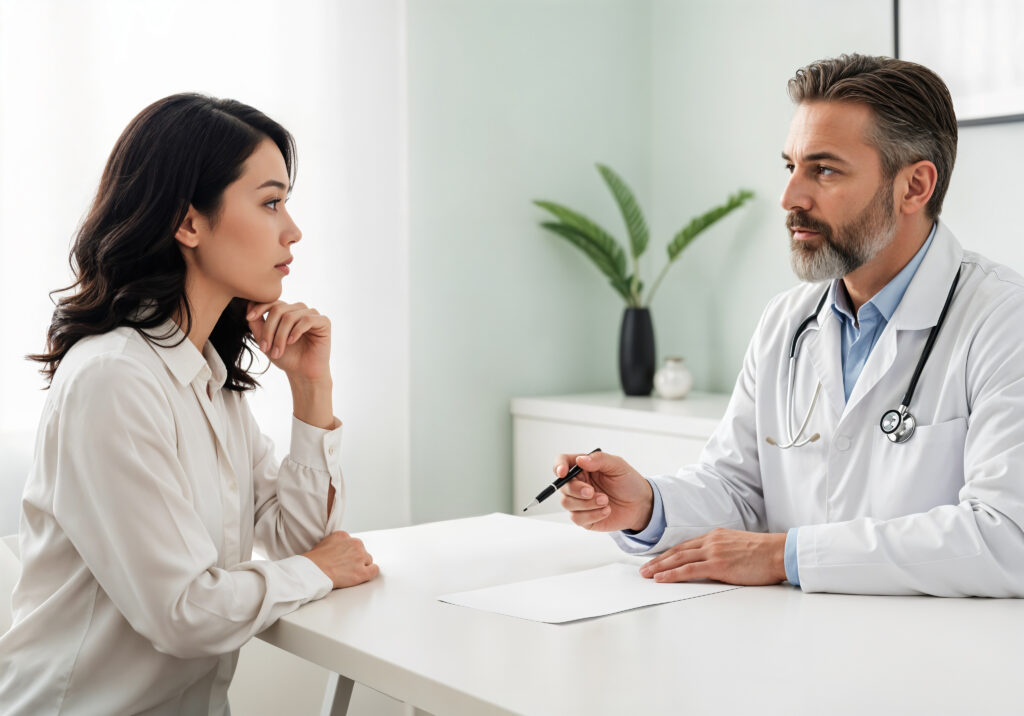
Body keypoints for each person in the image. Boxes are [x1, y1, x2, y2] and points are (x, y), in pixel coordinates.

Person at [555, 53, 1024, 597]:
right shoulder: (788, 321)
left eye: (824, 170)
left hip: (937, 644)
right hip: (795, 632)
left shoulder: (1002, 320)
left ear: (914, 187)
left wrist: (785, 556)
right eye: (791, 167)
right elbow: (739, 487)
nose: (790, 198)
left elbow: (1006, 535)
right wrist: (648, 506)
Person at [0, 94, 379, 714]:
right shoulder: (113, 380)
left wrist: (312, 389)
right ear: (189, 223)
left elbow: (301, 541)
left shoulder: (207, 379)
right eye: (271, 203)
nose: (293, 230)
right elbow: (184, 612)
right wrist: (318, 568)